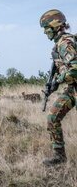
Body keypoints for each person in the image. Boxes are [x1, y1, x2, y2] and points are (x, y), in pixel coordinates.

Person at [40, 9, 77, 166]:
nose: (45, 33)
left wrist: (58, 81)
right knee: (53, 117)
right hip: (72, 88)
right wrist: (53, 85)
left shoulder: (65, 43)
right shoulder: (57, 46)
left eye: (46, 29)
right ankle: (59, 156)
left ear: (55, 26)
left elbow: (74, 69)